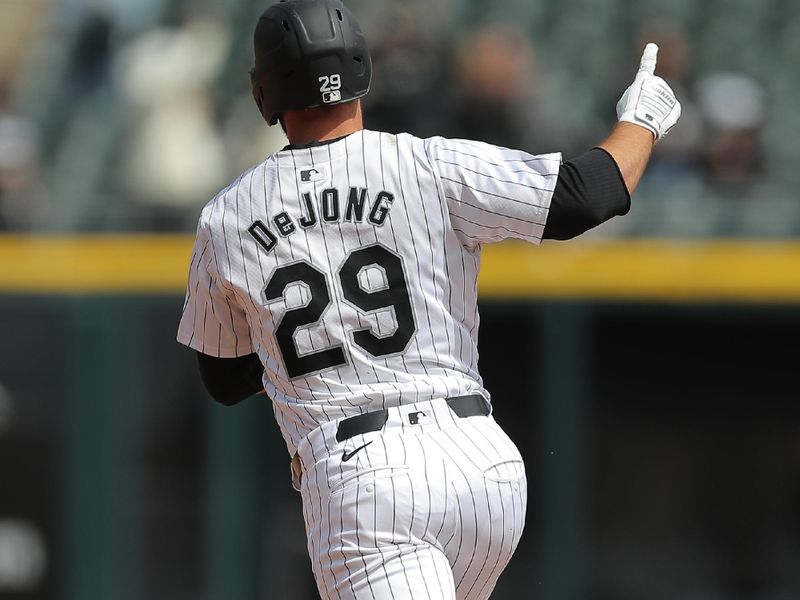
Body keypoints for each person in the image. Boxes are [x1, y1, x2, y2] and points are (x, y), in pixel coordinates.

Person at [176, 1, 680, 598]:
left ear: (264, 94)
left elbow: (225, 377)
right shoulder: (428, 162)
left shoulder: (227, 217)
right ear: (362, 71)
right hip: (481, 463)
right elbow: (587, 196)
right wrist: (641, 120)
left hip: (363, 480)